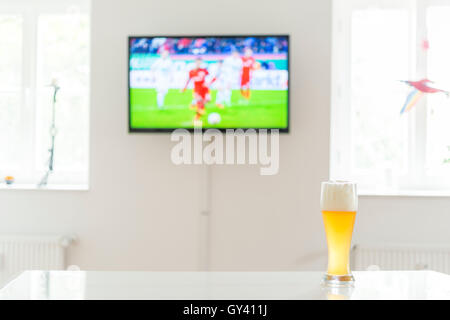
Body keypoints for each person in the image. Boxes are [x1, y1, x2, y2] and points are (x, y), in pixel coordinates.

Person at [182, 57, 211, 125]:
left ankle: (196, 115)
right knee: (199, 102)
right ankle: (196, 118)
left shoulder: (204, 70)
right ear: (195, 62)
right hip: (197, 89)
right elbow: (188, 80)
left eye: (200, 62)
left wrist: (208, 83)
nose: (198, 63)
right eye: (197, 62)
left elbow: (210, 77)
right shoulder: (192, 71)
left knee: (204, 103)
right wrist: (184, 88)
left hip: (204, 89)